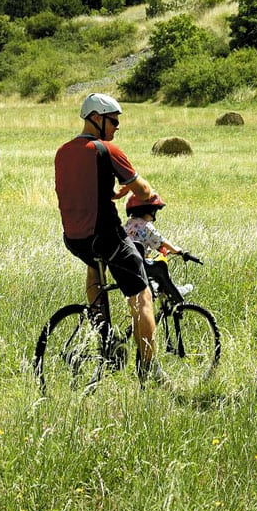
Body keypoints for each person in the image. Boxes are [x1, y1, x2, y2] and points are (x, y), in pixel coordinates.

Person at [54, 93, 160, 381]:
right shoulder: (107, 150)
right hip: (106, 235)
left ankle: (105, 339)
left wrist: (111, 193)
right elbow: (145, 192)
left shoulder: (63, 151)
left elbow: (79, 189)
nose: (116, 127)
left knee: (95, 269)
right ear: (96, 119)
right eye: (113, 120)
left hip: (75, 238)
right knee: (142, 295)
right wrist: (136, 189)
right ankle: (150, 369)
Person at [124, 194, 193, 298]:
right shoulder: (146, 226)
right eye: (153, 211)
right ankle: (173, 293)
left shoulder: (129, 223)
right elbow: (161, 241)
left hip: (126, 264)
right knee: (161, 268)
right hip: (141, 264)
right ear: (147, 210)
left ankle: (158, 290)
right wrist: (175, 250)